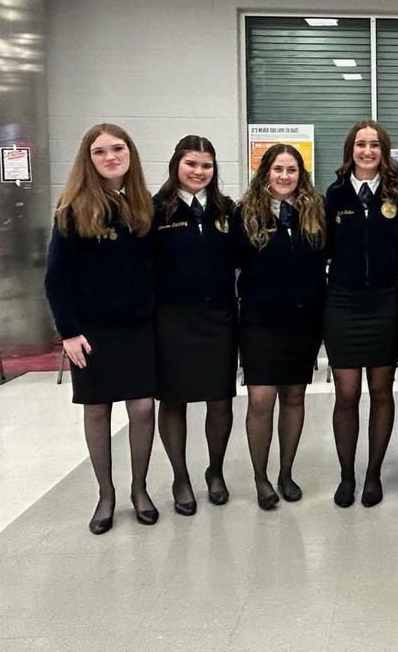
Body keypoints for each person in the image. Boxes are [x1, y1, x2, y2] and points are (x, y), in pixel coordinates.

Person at [44, 123, 158, 534]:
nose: (110, 156)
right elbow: (56, 277)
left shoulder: (144, 205)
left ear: (130, 153)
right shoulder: (74, 207)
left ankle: (140, 490)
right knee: (97, 410)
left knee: (143, 408)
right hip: (91, 331)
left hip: (138, 327)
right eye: (99, 151)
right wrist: (69, 331)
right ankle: (105, 495)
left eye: (117, 148)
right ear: (87, 160)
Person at [234, 143, 328, 510]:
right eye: (277, 170)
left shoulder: (313, 212)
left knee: (294, 396)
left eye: (291, 170)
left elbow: (324, 257)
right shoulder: (247, 213)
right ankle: (260, 478)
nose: (284, 176)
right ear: (265, 174)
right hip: (259, 320)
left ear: (300, 174)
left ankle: (286, 472)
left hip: (303, 321)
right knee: (261, 399)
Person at [323, 121, 398, 509]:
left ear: (384, 151)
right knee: (347, 392)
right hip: (342, 303)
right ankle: (347, 475)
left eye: (375, 145)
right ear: (350, 150)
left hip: (385, 301)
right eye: (361, 144)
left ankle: (373, 474)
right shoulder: (335, 194)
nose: (368, 151)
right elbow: (322, 246)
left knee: (380, 390)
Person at [151, 135, 237, 515]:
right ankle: (180, 477)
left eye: (206, 165)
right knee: (174, 401)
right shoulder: (155, 211)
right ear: (176, 165)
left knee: (220, 400)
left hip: (219, 318)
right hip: (172, 319)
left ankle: (215, 471)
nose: (199, 172)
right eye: (191, 164)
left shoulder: (226, 211)